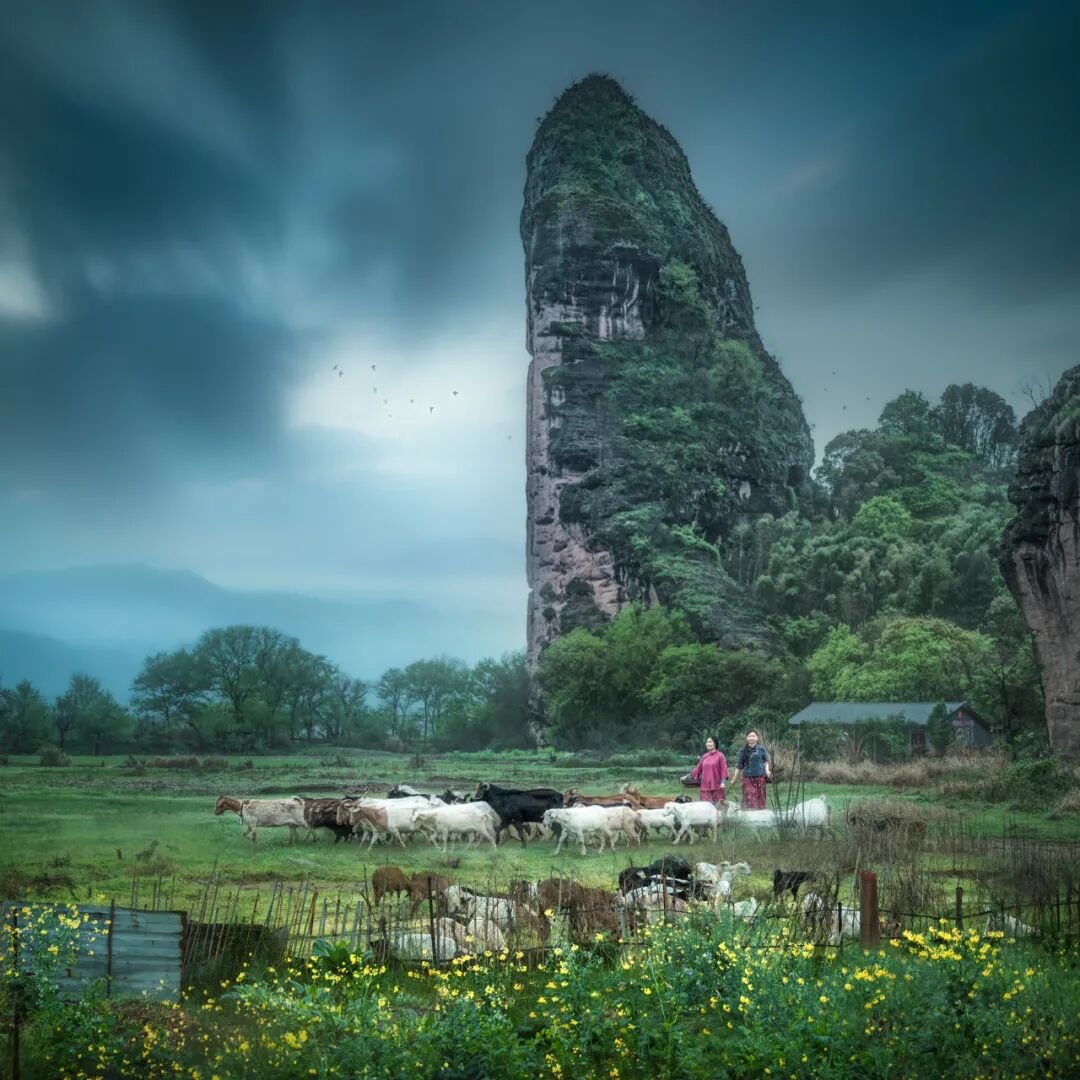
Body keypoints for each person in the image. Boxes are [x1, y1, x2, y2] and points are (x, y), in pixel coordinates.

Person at [732, 729, 771, 810]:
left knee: (761, 800)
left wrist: (767, 771)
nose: (751, 738)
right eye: (749, 736)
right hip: (747, 778)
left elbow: (766, 761)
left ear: (757, 738)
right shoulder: (742, 750)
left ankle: (760, 817)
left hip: (760, 778)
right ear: (747, 738)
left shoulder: (761, 749)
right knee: (750, 800)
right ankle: (750, 817)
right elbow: (739, 766)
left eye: (753, 736)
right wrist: (734, 779)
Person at [690, 736, 728, 806]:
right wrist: (687, 777)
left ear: (715, 744)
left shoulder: (720, 756)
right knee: (705, 808)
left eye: (710, 742)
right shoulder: (704, 756)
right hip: (705, 787)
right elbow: (697, 769)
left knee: (718, 809)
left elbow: (724, 770)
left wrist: (723, 782)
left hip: (717, 787)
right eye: (707, 742)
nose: (708, 743)